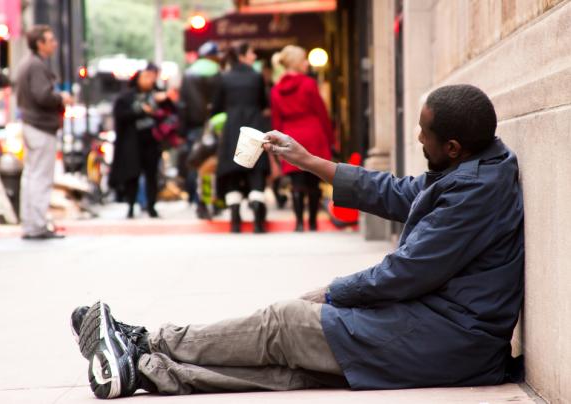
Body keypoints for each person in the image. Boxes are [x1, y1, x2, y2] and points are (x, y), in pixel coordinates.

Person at [71, 85, 524, 398]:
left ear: (453, 147)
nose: (418, 136)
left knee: (285, 323)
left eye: (425, 132)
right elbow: (399, 193)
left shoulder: (475, 190)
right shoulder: (473, 166)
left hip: (450, 339)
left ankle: (148, 342)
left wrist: (334, 291)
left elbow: (409, 271)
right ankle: (142, 372)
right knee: (294, 370)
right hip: (446, 332)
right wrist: (309, 161)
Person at [16, 25, 73, 240]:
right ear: (40, 43)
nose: (54, 44)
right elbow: (42, 96)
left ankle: (31, 222)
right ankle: (36, 224)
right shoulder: (36, 66)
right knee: (40, 176)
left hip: (33, 124)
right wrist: (61, 98)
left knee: (32, 175)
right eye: (50, 40)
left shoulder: (28, 64)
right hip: (40, 125)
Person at [271, 45, 334, 231]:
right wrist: (331, 139)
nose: (307, 63)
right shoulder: (308, 84)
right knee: (314, 179)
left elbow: (276, 119)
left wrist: (277, 144)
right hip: (313, 133)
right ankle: (313, 222)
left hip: (290, 134)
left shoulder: (276, 90)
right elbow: (321, 112)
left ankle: (299, 223)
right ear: (296, 62)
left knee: (296, 182)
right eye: (304, 59)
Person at [212, 42, 269, 233]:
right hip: (254, 126)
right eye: (252, 52)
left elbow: (216, 106)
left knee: (232, 172)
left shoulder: (224, 78)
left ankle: (235, 220)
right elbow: (263, 103)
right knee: (256, 170)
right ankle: (257, 217)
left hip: (232, 129)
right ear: (243, 56)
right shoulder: (256, 77)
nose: (254, 56)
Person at [109, 63, 166, 219]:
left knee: (152, 175)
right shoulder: (126, 97)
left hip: (152, 141)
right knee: (132, 175)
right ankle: (131, 205)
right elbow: (121, 115)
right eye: (145, 77)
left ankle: (151, 206)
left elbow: (169, 114)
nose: (148, 80)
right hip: (132, 142)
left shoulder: (158, 95)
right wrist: (141, 111)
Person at [178, 41, 222, 219]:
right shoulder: (219, 73)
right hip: (217, 126)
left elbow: (182, 105)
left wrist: (181, 130)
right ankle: (215, 201)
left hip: (194, 128)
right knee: (214, 165)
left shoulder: (188, 74)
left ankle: (198, 201)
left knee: (197, 164)